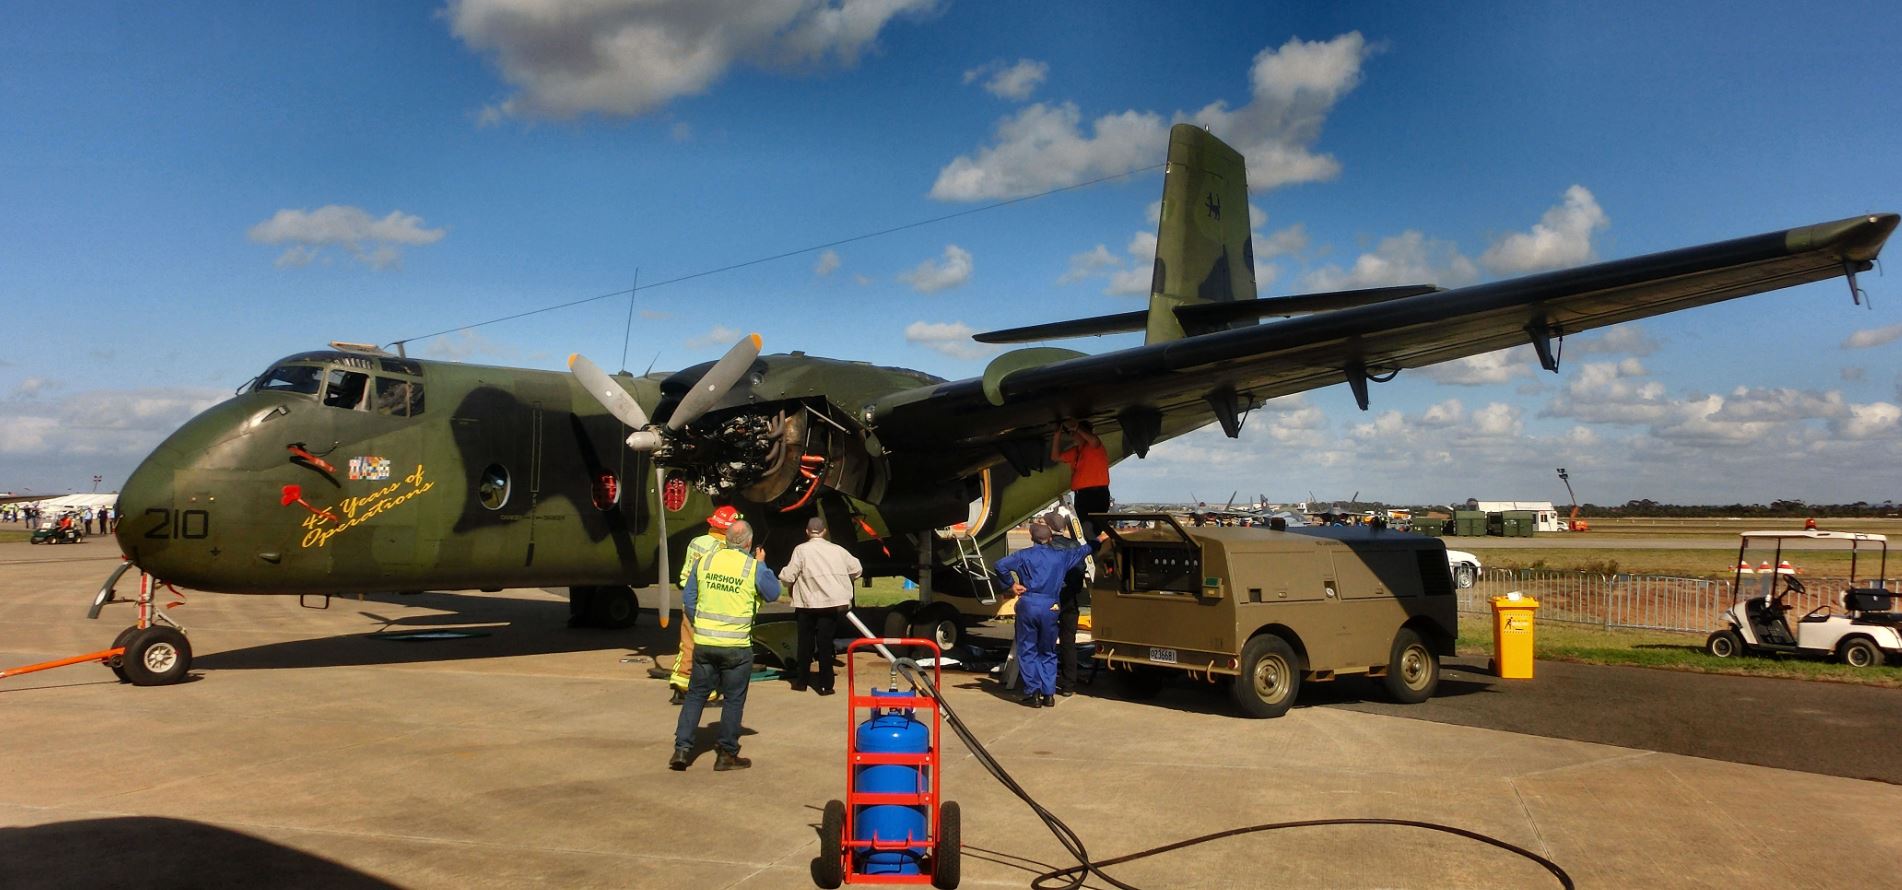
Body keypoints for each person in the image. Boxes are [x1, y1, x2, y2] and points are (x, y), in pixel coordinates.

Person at [671, 520, 781, 771]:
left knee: (695, 696)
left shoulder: (706, 561)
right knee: (733, 699)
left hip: (705, 642)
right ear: (748, 543)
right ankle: (727, 753)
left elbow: (689, 598)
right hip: (736, 646)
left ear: (725, 539)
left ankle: (681, 749)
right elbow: (773, 593)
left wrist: (700, 623)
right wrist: (762, 564)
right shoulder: (752, 567)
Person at [993, 520, 1092, 708]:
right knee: (1048, 650)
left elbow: (1000, 565)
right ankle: (1049, 693)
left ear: (1032, 538)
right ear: (1050, 538)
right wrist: (1098, 540)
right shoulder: (1061, 557)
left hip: (1029, 603)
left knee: (1028, 648)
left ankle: (1033, 692)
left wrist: (1010, 584)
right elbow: (1083, 551)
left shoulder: (1024, 555)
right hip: (1051, 606)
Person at [661, 505, 742, 704]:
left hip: (690, 599)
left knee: (687, 645)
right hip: (710, 603)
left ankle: (680, 683)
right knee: (710, 651)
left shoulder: (696, 542)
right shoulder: (725, 549)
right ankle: (706, 691)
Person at [778, 515, 861, 695]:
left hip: (806, 604)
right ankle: (825, 685)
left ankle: (801, 682)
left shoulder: (801, 550)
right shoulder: (838, 550)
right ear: (824, 531)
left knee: (804, 644)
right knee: (825, 644)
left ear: (807, 532)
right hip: (830, 604)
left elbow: (788, 576)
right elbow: (856, 569)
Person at [1042, 510, 1088, 697]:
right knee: (1069, 642)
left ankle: (1047, 682)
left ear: (1049, 528)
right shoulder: (1075, 546)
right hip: (1071, 599)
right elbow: (1080, 569)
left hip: (1051, 599)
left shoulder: (1048, 548)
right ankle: (1069, 684)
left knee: (1046, 642)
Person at [1050, 419, 1111, 540]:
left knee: (1090, 529)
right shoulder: (1076, 451)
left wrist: (1077, 427)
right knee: (1083, 529)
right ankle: (1089, 551)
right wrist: (1057, 436)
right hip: (1082, 495)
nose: (1072, 436)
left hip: (1095, 495)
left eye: (1074, 433)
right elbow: (1055, 457)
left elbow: (1094, 440)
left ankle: (1092, 552)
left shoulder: (1094, 448)